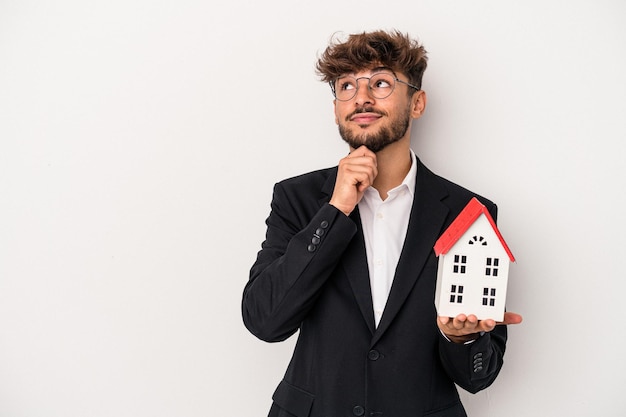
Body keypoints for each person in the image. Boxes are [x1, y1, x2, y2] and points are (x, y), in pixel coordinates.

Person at [242, 29, 522, 417]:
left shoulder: (469, 212)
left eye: (380, 82)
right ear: (337, 107)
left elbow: (479, 376)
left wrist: (460, 339)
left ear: (418, 102)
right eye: (346, 86)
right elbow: (265, 321)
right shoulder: (298, 199)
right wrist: (335, 210)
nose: (362, 97)